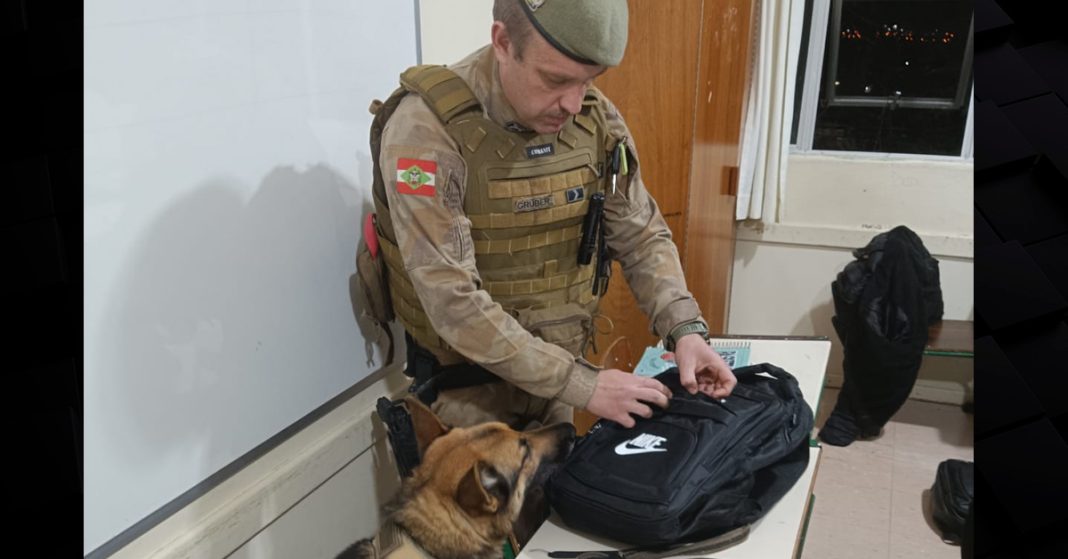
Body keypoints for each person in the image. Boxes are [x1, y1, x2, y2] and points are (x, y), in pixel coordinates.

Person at [367, 0, 735, 430]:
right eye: (556, 80)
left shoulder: (595, 121)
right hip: (465, 398)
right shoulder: (425, 132)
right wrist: (585, 386)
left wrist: (685, 328)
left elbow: (639, 235)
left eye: (588, 81)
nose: (574, 104)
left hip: (557, 381)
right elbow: (452, 301)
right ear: (503, 42)